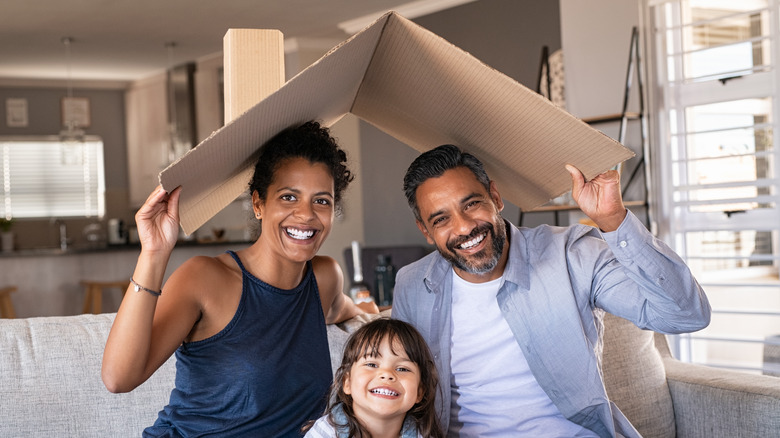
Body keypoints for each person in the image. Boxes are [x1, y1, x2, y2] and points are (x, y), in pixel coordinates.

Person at [392, 144, 711, 437]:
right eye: (441, 219)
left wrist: (614, 220)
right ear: (426, 231)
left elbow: (686, 316)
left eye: (472, 204)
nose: (463, 227)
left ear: (496, 197)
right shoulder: (412, 285)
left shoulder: (571, 254)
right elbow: (403, 397)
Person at [102, 121, 377, 437]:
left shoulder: (325, 277)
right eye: (289, 197)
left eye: (321, 200)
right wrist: (153, 253)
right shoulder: (205, 278)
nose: (306, 214)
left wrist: (373, 313)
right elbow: (118, 378)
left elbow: (346, 309)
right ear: (259, 204)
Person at [303, 317, 444, 438]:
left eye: (402, 369)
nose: (387, 374)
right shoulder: (325, 433)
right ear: (347, 382)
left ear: (420, 391)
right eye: (371, 364)